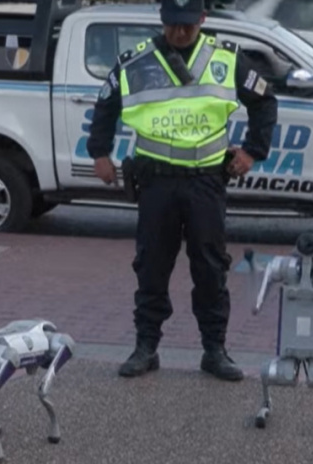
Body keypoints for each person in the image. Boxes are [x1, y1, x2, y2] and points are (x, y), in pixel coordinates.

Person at [86, 0, 278, 381]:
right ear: (162, 21)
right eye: (173, 24)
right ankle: (146, 347)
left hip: (205, 181)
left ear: (202, 20)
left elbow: (264, 100)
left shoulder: (225, 60)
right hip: (156, 182)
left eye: (188, 25)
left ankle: (214, 350)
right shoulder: (138, 62)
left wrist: (253, 151)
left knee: (209, 267)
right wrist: (99, 153)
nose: (180, 32)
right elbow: (106, 105)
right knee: (152, 265)